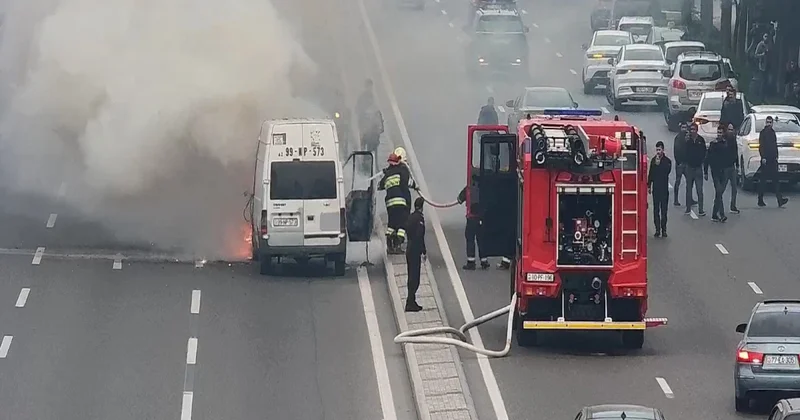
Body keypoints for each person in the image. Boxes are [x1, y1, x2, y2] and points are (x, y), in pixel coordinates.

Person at [379, 153, 417, 253]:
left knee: (392, 223)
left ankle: (389, 245)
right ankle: (398, 246)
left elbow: (380, 186)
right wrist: (415, 185)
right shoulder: (402, 171)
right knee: (403, 224)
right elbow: (406, 183)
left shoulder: (387, 174)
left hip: (389, 204)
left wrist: (386, 174)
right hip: (400, 201)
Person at [458, 173, 489, 270]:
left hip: (471, 219)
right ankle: (484, 261)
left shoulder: (468, 188)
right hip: (481, 219)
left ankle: (471, 262)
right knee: (482, 240)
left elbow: (459, 199)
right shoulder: (484, 189)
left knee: (470, 238)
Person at [757, 116, 789, 207]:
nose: (769, 124)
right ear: (765, 123)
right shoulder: (763, 133)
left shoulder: (773, 132)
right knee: (763, 181)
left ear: (772, 123)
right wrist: (763, 157)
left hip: (773, 159)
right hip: (766, 160)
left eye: (770, 122)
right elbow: (761, 146)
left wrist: (776, 156)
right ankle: (760, 199)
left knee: (775, 180)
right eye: (767, 122)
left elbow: (774, 145)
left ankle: (780, 200)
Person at [405, 197, 427, 312]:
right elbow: (420, 236)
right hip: (414, 251)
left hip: (409, 249)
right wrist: (423, 251)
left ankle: (411, 301)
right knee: (415, 278)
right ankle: (410, 302)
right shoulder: (419, 219)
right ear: (422, 207)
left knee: (411, 276)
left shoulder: (411, 216)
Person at [705, 126, 730, 222]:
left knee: (718, 194)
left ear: (723, 133)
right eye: (718, 132)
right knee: (719, 191)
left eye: (720, 132)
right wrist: (706, 171)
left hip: (723, 171)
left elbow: (727, 157)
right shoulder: (713, 144)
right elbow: (707, 158)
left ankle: (714, 214)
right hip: (715, 171)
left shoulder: (725, 144)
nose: (719, 134)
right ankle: (722, 214)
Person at [648, 141, 672, 237]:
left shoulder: (667, 161)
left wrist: (660, 164)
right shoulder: (654, 160)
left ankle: (664, 229)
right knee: (656, 210)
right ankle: (657, 229)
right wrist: (649, 185)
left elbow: (667, 171)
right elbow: (651, 173)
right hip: (656, 189)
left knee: (664, 210)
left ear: (663, 150)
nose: (658, 151)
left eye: (660, 149)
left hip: (664, 189)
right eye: (657, 149)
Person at [684, 123, 707, 217]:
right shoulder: (688, 141)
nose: (692, 131)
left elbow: (704, 153)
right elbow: (684, 152)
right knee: (688, 189)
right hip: (689, 168)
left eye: (694, 129)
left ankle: (701, 209)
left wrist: (703, 167)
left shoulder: (701, 140)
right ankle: (688, 208)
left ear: (697, 130)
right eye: (691, 129)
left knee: (699, 190)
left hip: (698, 168)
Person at [672, 122, 692, 207]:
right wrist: (678, 161)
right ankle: (675, 199)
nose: (684, 129)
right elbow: (676, 150)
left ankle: (690, 199)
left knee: (690, 181)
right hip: (680, 163)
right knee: (678, 181)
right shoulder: (678, 138)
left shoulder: (688, 137)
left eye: (685, 127)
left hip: (687, 163)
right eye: (683, 127)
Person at [725, 123, 740, 214]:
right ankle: (718, 206)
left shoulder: (734, 140)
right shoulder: (724, 140)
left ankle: (733, 206)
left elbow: (736, 152)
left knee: (734, 188)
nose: (731, 131)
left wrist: (737, 165)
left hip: (732, 167)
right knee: (722, 188)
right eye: (729, 130)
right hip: (725, 167)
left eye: (732, 130)